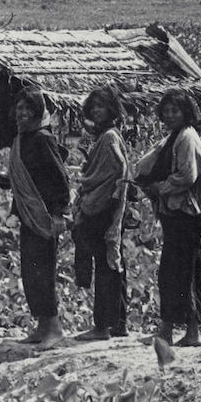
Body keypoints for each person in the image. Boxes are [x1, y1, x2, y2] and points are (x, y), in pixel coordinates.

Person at [0, 87, 71, 350]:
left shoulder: (43, 139)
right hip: (28, 215)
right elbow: (26, 178)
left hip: (43, 216)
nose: (23, 113)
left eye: (29, 109)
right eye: (19, 109)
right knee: (31, 273)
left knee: (44, 271)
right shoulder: (23, 139)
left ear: (38, 111)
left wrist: (57, 214)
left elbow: (60, 180)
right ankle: (42, 327)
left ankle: (54, 329)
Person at [136, 89, 201, 347]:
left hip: (186, 213)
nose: (170, 116)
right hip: (177, 212)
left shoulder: (187, 137)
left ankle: (190, 333)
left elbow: (187, 176)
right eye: (166, 111)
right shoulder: (176, 137)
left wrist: (160, 188)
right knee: (174, 271)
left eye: (175, 111)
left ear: (186, 113)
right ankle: (168, 330)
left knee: (182, 272)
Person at [72, 86, 130, 341]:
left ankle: (101, 327)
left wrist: (87, 181)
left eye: (101, 106)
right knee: (114, 264)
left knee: (105, 267)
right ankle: (119, 323)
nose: (96, 110)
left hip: (102, 207)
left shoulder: (108, 138)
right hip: (107, 205)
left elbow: (118, 169)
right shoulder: (109, 135)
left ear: (111, 109)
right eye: (93, 106)